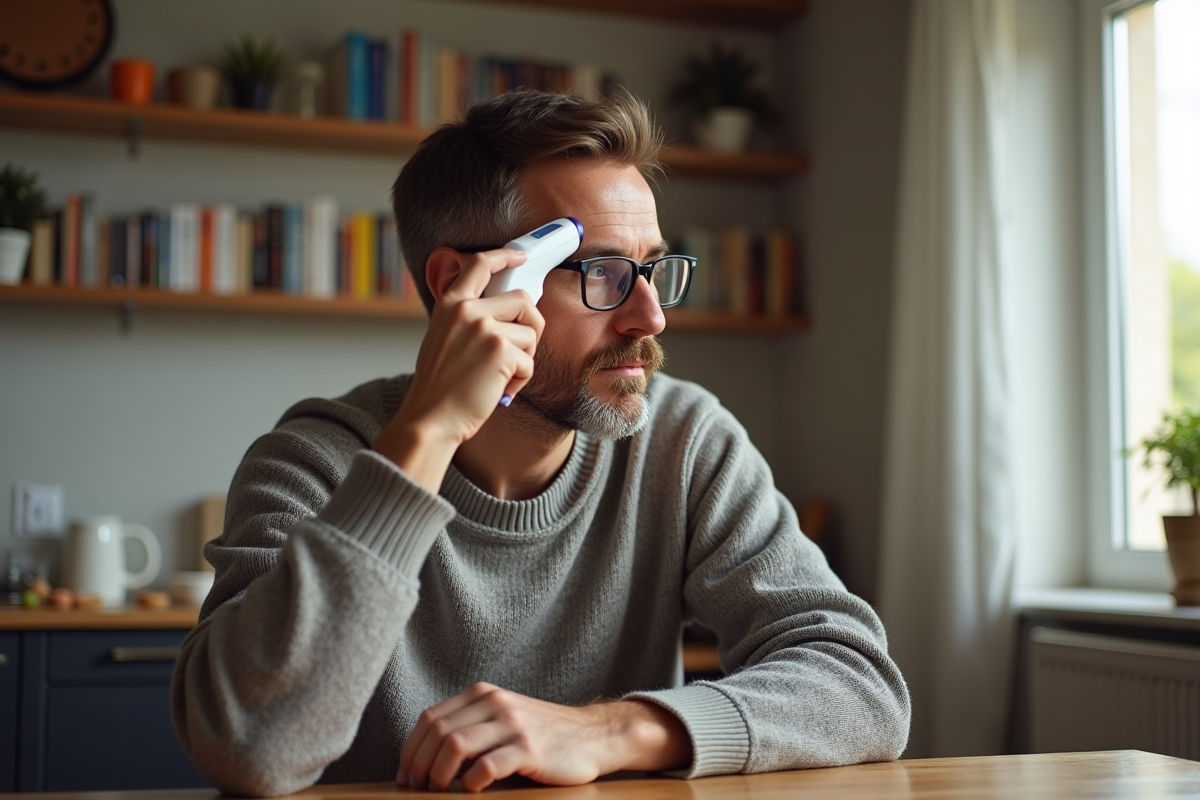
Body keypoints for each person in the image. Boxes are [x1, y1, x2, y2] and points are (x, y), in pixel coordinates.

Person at [171, 87, 910, 798]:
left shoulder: (684, 442)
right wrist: (426, 436)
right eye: (603, 274)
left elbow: (860, 684)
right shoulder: (314, 461)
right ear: (465, 283)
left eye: (653, 269)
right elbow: (247, 748)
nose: (649, 317)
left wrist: (612, 731)